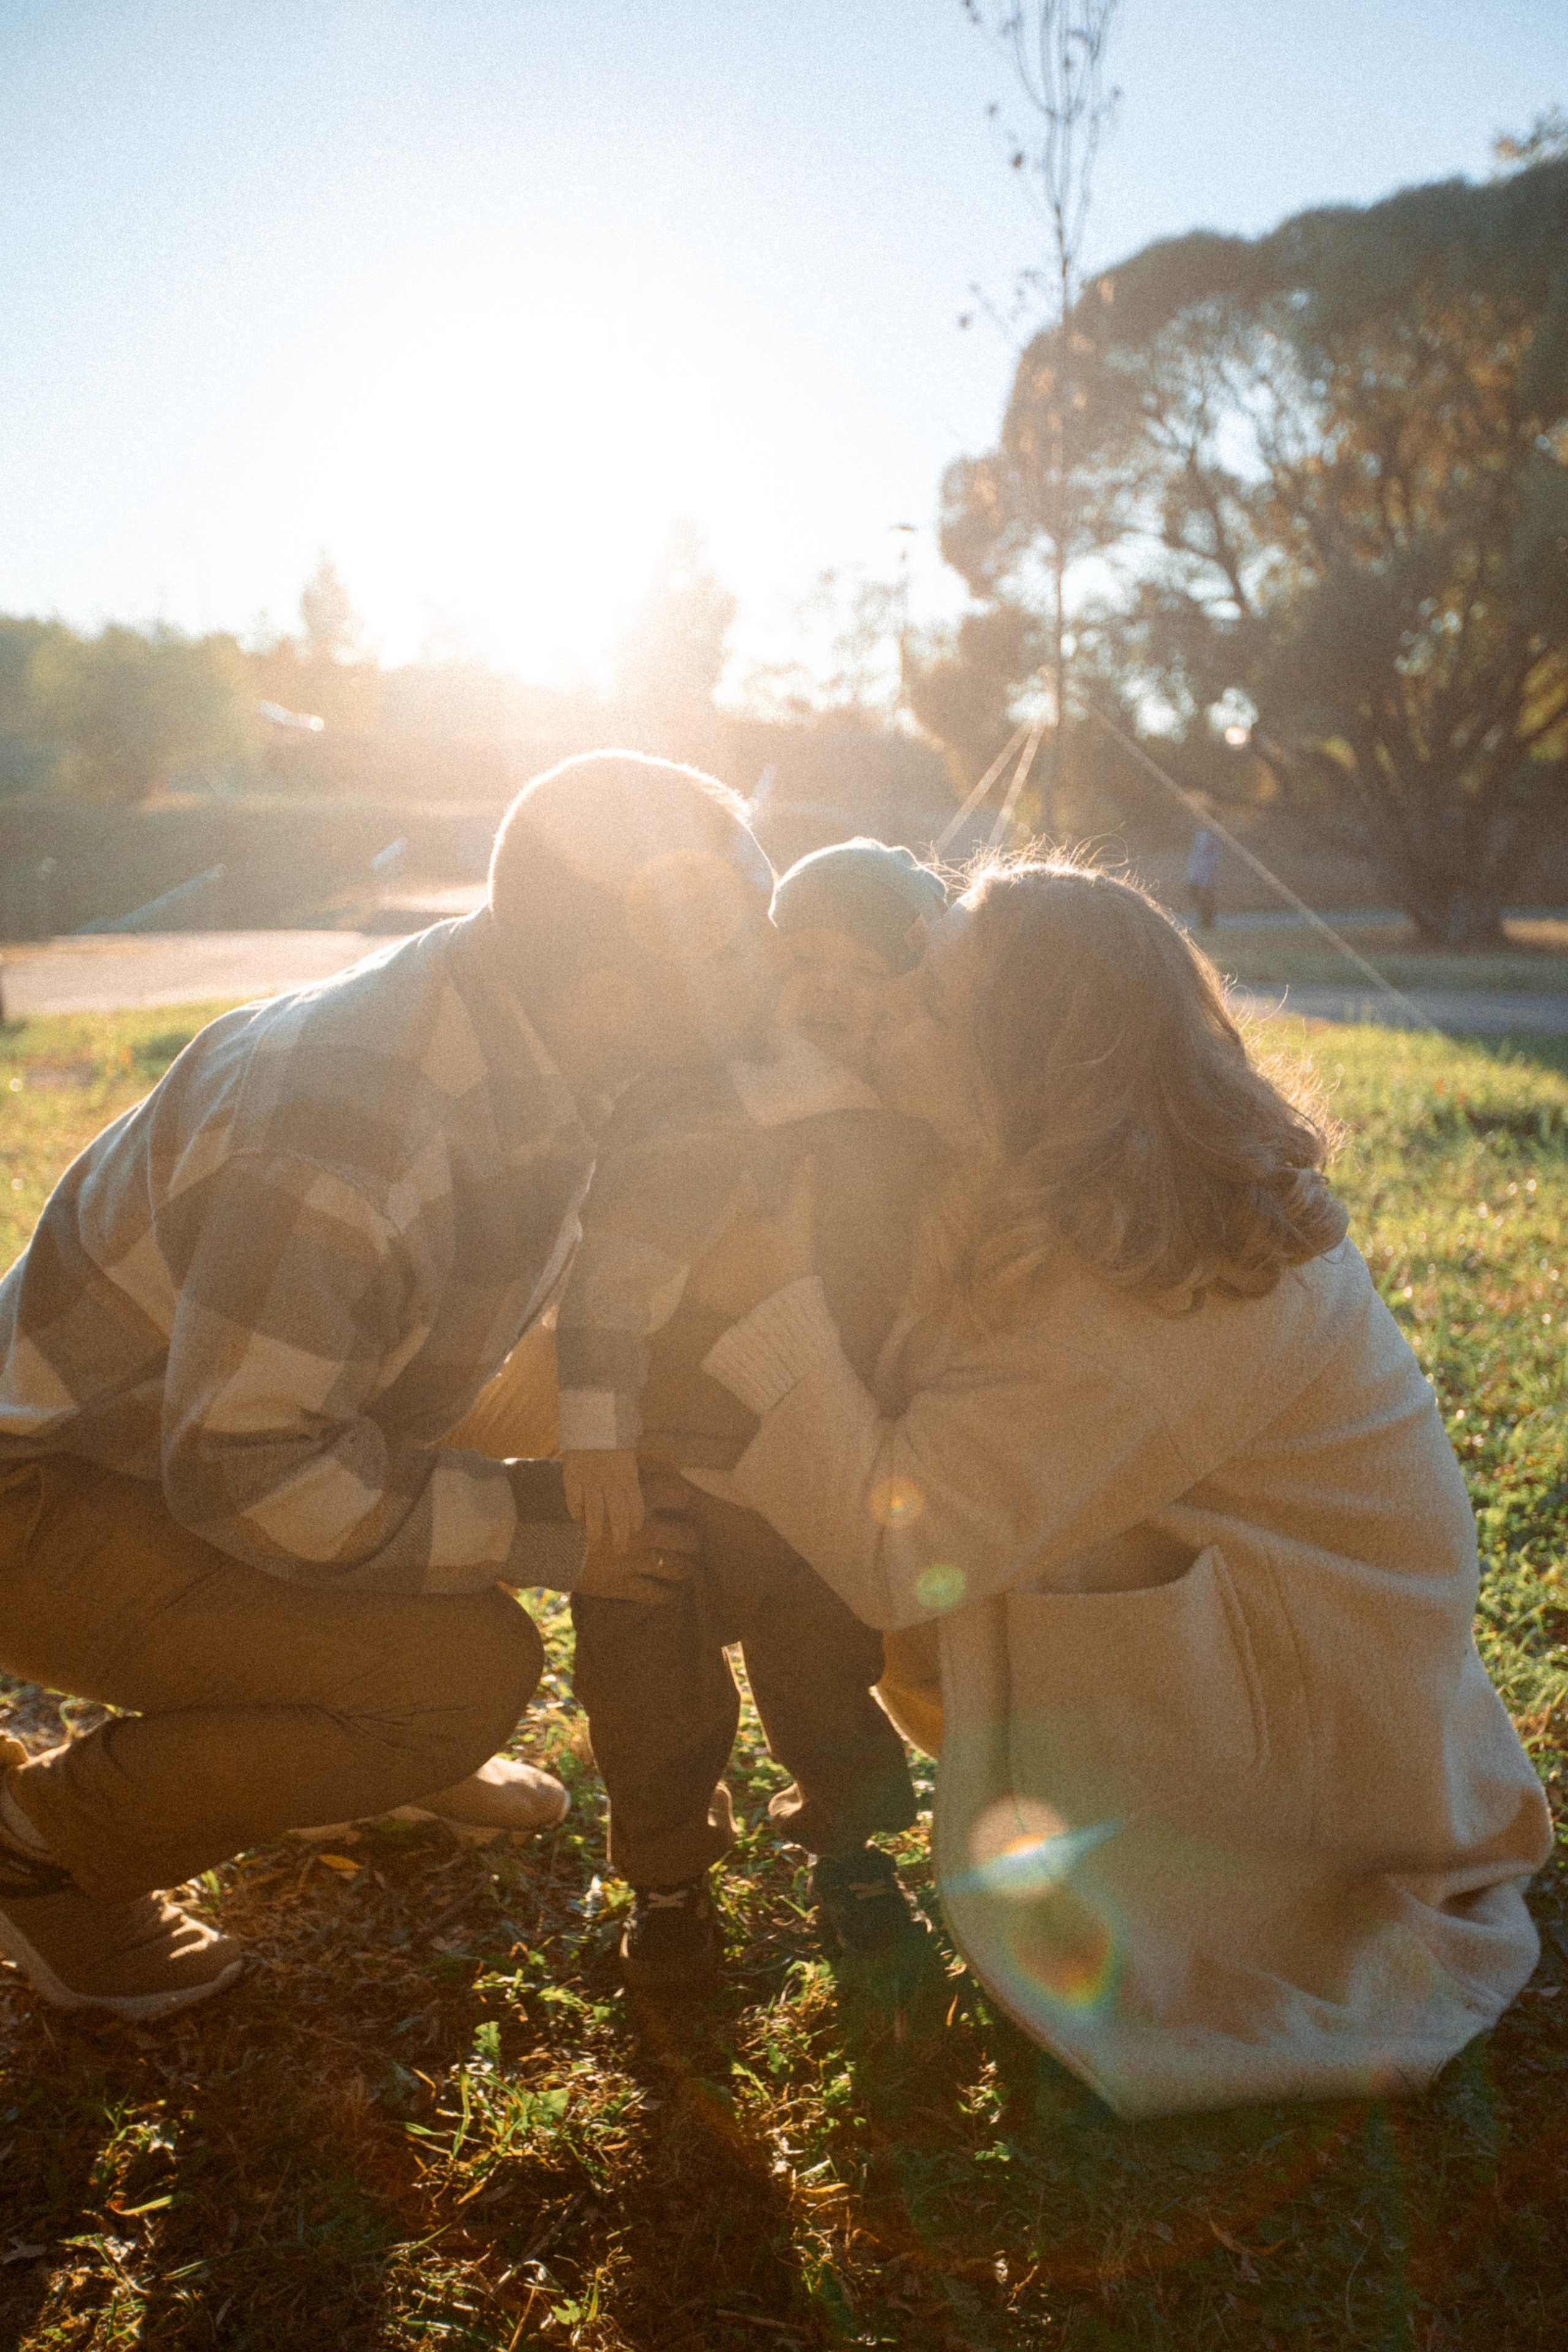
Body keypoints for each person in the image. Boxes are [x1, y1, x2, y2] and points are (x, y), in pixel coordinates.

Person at [680, 858, 1550, 2119]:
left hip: (1312, 1721)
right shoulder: (1093, 1183)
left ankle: (1242, 1876)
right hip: (1313, 1646)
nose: (892, 1006)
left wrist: (766, 1299)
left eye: (931, 993)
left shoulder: (1157, 1284)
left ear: (1033, 1063)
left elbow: (894, 1543)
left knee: (878, 1523)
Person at [0, 752, 776, 2021]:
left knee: (626, 1391)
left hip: (242, 1424)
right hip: (51, 1491)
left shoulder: (534, 1015)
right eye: (735, 958)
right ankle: (45, 1846)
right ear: (614, 993)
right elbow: (247, 1469)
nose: (766, 984)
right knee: (462, 1677)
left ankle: (347, 1722)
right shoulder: (356, 1133)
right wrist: (539, 1529)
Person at [560, 840, 949, 1988]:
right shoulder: (730, 1098)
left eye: (866, 968)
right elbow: (618, 1266)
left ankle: (853, 1851)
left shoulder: (920, 1115)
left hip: (819, 1474)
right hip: (673, 1462)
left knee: (827, 1674)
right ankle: (669, 1881)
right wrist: (593, 1426)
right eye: (805, 958)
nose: (828, 990)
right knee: (647, 1685)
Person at [1185, 824, 1222, 930]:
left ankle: (1208, 919)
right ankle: (1205, 915)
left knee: (1208, 893)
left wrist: (1212, 867)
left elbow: (1214, 853)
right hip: (1197, 867)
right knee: (1193, 890)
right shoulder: (1202, 833)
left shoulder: (1214, 834)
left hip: (1207, 867)